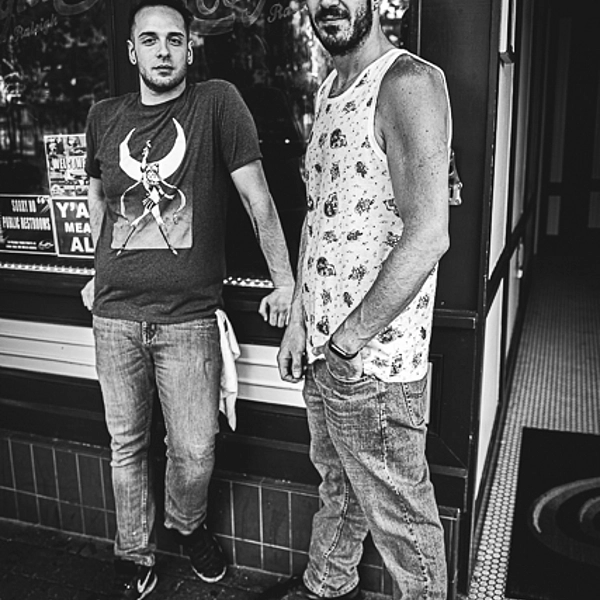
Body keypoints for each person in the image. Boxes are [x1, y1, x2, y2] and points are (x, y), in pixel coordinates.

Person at [80, 1, 294, 598]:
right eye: (150, 40)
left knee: (195, 451)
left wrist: (284, 281)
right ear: (132, 51)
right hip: (116, 317)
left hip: (189, 320)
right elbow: (97, 197)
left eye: (175, 39)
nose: (163, 51)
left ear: (190, 49)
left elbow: (257, 198)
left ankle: (186, 524)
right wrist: (96, 269)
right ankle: (133, 552)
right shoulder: (104, 116)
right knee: (126, 446)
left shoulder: (215, 103)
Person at [275, 0, 452, 598]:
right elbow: (317, 216)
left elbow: (429, 235)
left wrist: (349, 341)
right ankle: (324, 586)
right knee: (339, 489)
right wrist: (299, 321)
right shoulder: (328, 89)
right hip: (326, 351)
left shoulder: (409, 83)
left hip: (372, 363)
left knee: (403, 522)